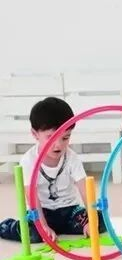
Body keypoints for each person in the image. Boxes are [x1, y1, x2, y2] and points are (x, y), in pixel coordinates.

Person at [0, 97, 105, 243]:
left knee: (100, 220)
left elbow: (85, 189)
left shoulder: (71, 158)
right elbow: (31, 196)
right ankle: (8, 226)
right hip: (42, 213)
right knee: (34, 234)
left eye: (65, 138)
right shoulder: (29, 160)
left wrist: (92, 222)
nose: (58, 145)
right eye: (51, 138)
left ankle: (70, 226)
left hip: (70, 210)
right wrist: (43, 225)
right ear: (35, 134)